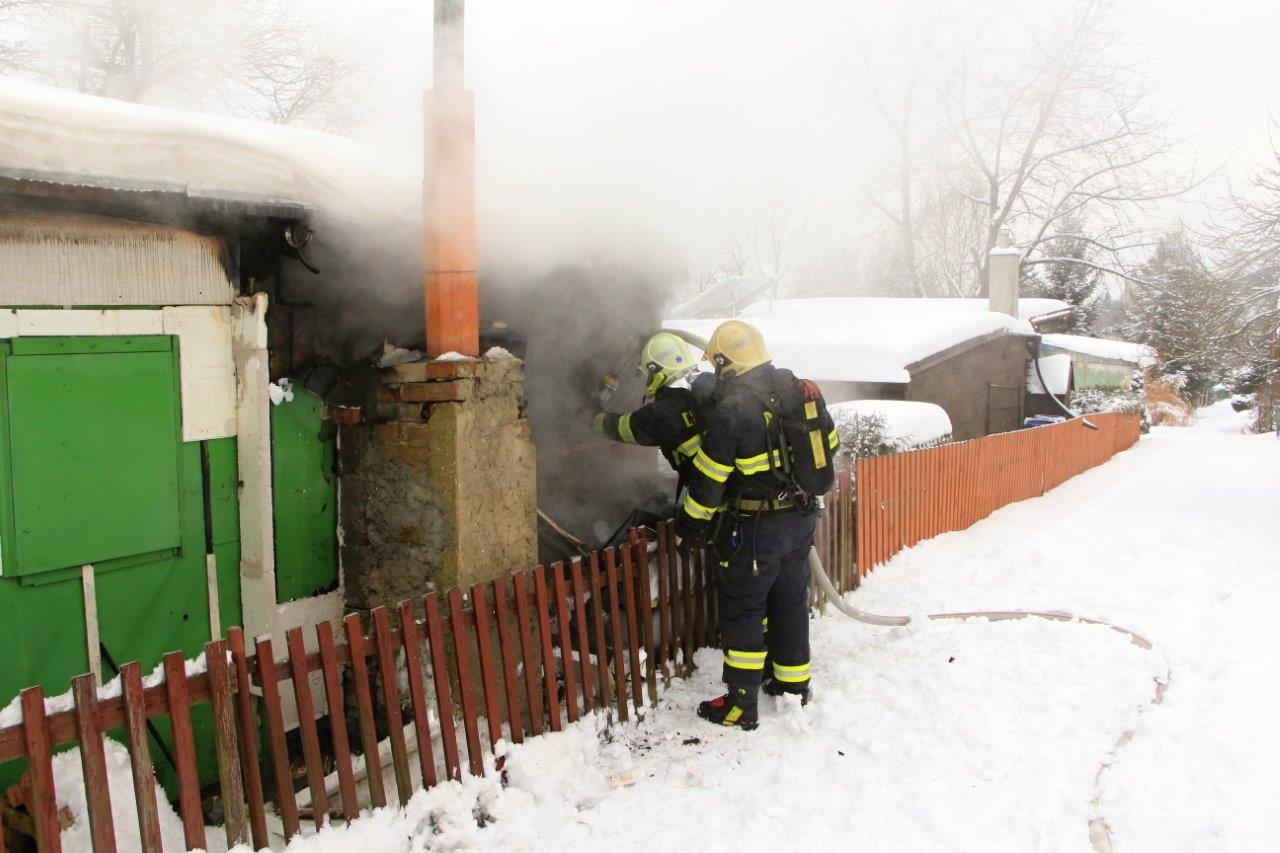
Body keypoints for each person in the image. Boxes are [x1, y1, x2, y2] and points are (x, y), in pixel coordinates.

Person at [674, 320, 838, 730]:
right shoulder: (798, 388)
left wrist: (688, 529)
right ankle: (794, 687)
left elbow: (708, 483)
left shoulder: (732, 411)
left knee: (744, 610)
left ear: (727, 364)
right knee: (789, 604)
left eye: (717, 366)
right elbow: (829, 445)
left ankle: (740, 705)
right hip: (800, 520)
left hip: (755, 529)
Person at [593, 332, 716, 495]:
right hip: (737, 488)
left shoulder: (662, 413)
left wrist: (591, 417)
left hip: (715, 500)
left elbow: (622, 428)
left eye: (648, 374)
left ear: (656, 371)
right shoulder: (711, 384)